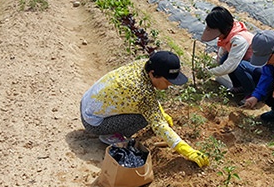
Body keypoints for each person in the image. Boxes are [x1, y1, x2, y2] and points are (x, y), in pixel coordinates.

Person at [80, 51, 209, 167]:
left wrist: (161, 112)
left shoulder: (143, 65)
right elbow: (158, 124)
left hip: (85, 103)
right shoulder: (142, 92)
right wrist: (186, 150)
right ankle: (109, 136)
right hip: (93, 123)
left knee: (146, 109)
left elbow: (150, 100)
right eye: (167, 81)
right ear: (153, 74)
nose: (169, 85)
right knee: (144, 117)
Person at [201, 6, 259, 103]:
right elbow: (221, 54)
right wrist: (212, 66)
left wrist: (208, 72)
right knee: (225, 59)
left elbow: (230, 66)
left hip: (257, 69)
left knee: (238, 66)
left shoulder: (239, 39)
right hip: (246, 62)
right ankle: (238, 87)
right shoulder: (229, 33)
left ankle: (251, 93)